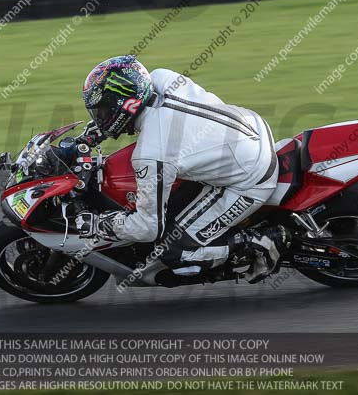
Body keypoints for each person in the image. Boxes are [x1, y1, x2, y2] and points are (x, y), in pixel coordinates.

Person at [79, 55, 291, 282]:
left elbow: (147, 228)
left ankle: (260, 243)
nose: (100, 118)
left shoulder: (151, 153)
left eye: (102, 111)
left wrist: (98, 224)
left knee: (172, 250)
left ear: (123, 106)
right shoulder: (161, 77)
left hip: (252, 176)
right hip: (253, 128)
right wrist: (91, 135)